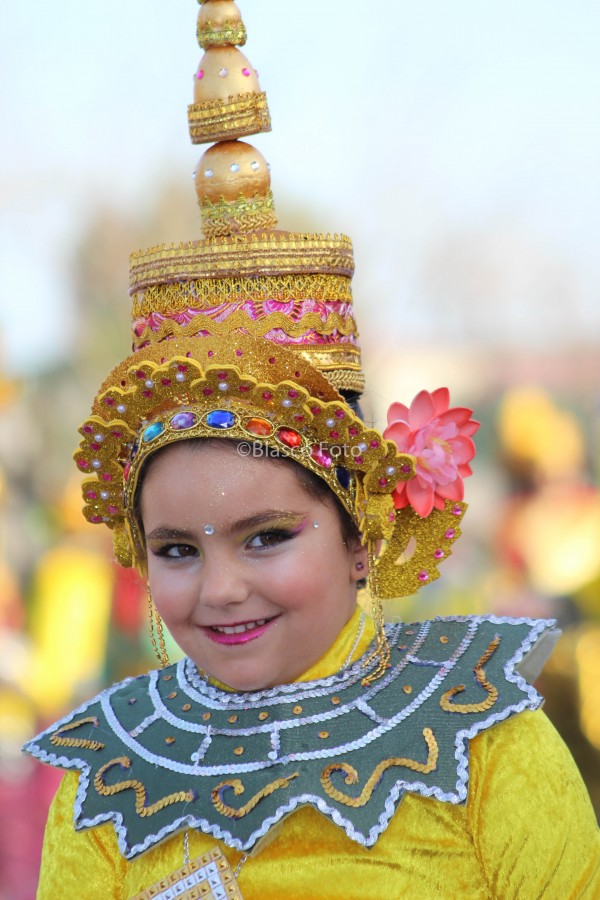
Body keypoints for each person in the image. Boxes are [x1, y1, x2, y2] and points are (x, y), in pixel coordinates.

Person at [24, 2, 600, 897]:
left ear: (361, 530)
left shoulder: (483, 740)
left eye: (266, 537)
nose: (218, 590)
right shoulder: (106, 781)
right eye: (177, 549)